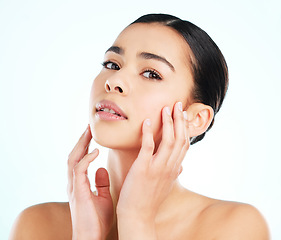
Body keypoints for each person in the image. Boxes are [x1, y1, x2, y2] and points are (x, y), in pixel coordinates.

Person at [9, 13, 270, 240]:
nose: (114, 81)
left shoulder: (235, 226)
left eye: (151, 73)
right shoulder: (36, 225)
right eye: (112, 64)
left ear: (195, 119)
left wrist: (136, 219)